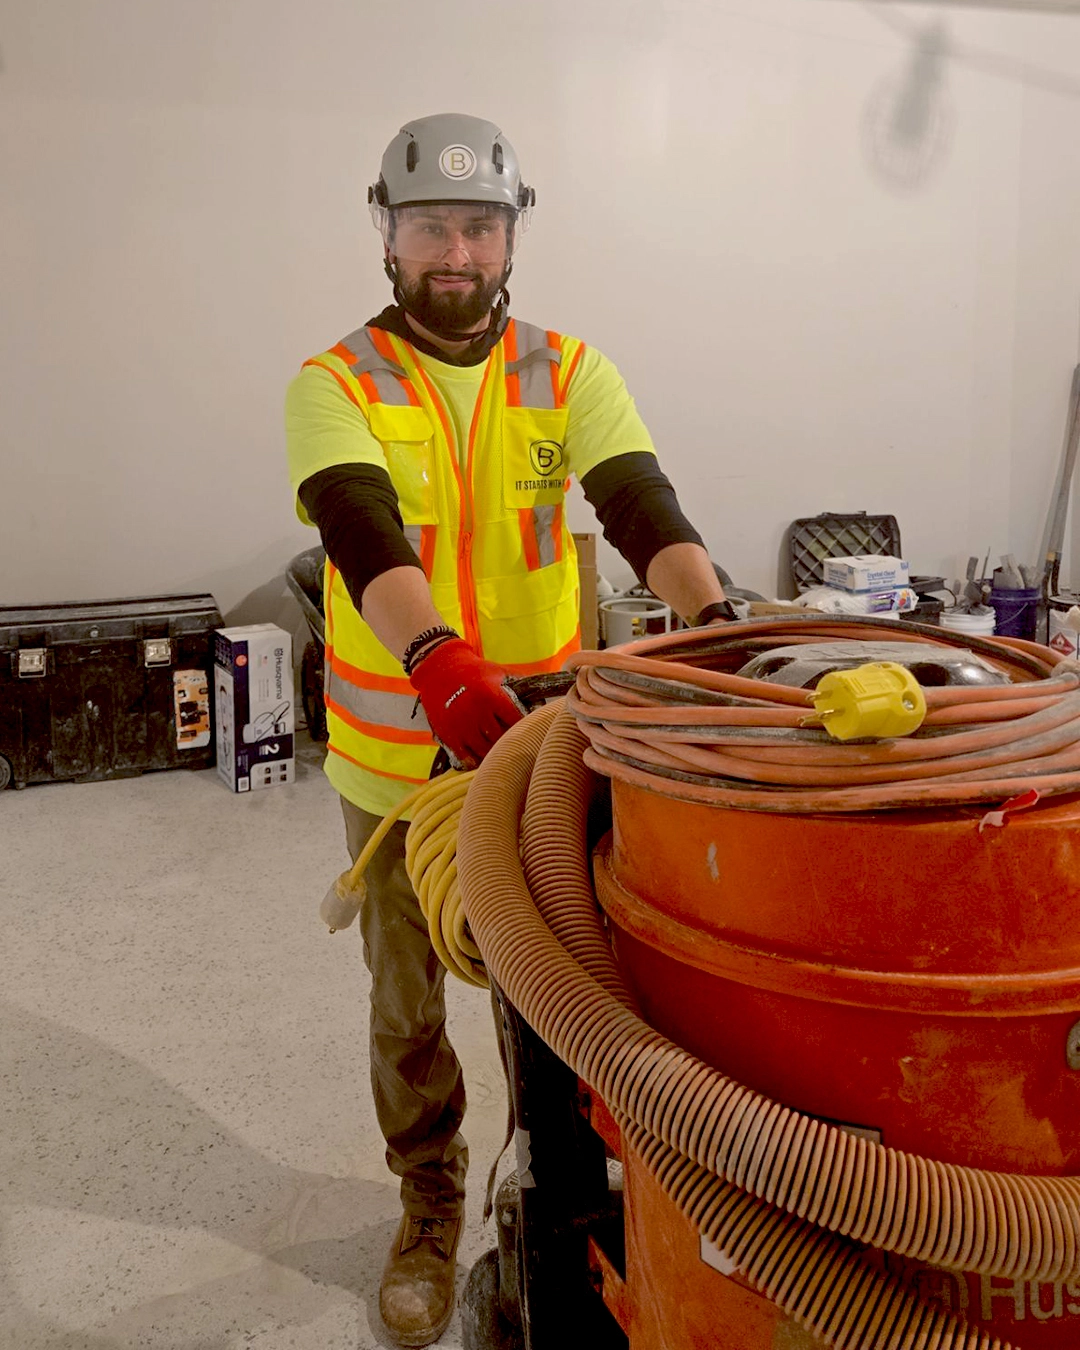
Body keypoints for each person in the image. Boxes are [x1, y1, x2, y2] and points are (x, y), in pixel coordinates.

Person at [285, 113, 737, 1347]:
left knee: (567, 998)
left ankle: (562, 1197)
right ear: (387, 234)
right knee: (407, 1004)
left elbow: (641, 500)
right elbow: (357, 523)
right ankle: (427, 1209)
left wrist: (723, 622)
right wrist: (434, 660)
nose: (455, 251)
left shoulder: (568, 369)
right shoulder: (336, 383)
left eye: (478, 227)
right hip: (398, 762)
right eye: (430, 224)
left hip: (541, 757)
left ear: (510, 236)